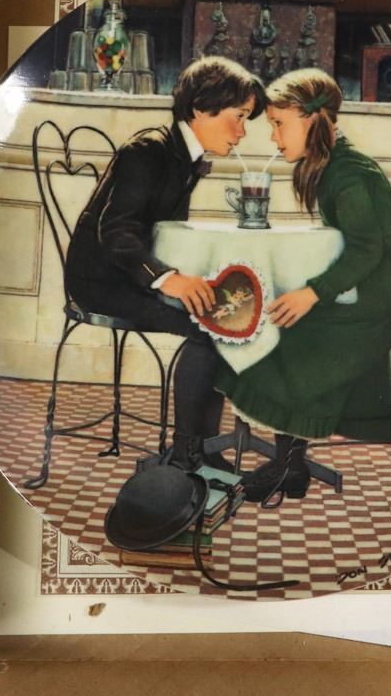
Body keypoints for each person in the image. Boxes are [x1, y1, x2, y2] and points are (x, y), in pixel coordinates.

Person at [214, 68, 391, 503]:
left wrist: (313, 293)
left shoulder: (348, 174)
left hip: (384, 287)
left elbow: (366, 249)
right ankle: (290, 464)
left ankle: (289, 466)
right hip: (368, 277)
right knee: (281, 319)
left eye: (279, 124)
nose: (274, 138)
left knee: (292, 332)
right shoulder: (331, 164)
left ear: (310, 119)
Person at [65, 56, 267, 472]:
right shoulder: (148, 151)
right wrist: (168, 279)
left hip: (133, 277)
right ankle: (187, 454)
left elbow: (165, 235)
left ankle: (205, 448)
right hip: (102, 281)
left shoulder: (183, 155)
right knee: (210, 327)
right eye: (239, 117)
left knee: (226, 314)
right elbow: (116, 234)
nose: (243, 132)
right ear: (200, 108)